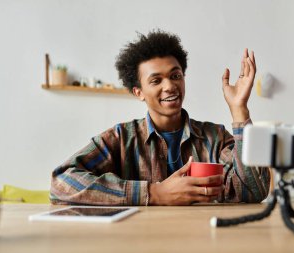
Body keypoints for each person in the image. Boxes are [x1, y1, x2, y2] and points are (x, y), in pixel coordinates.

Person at [50, 30, 270, 206]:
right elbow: (61, 182)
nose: (170, 86)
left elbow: (253, 190)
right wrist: (153, 193)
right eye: (156, 81)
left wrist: (239, 109)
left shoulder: (215, 137)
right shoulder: (119, 139)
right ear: (139, 92)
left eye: (176, 76)